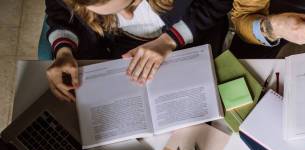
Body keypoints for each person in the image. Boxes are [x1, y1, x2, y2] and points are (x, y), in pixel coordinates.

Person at [45, 0, 232, 101]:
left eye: (131, 3)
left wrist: (170, 40)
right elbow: (59, 12)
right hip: (118, 44)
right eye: (109, 12)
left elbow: (218, 3)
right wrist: (64, 51)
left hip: (191, 34)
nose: (128, 16)